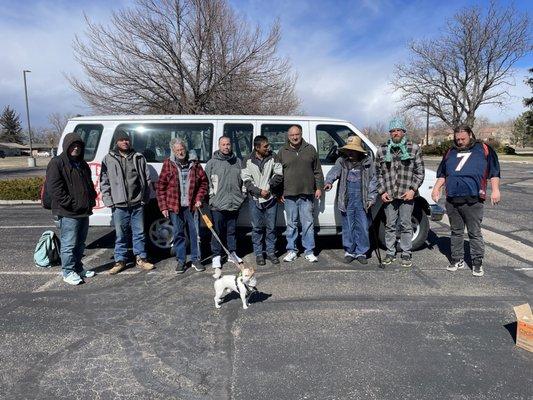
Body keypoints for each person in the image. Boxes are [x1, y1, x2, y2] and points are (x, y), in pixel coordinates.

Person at [431, 125, 501, 277]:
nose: (460, 141)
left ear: (470, 135)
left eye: (463, 138)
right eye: (457, 139)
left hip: (473, 199)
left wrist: (495, 190)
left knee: (474, 232)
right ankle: (457, 259)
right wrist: (436, 188)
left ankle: (477, 262)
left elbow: (494, 172)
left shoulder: (483, 148)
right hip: (452, 199)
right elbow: (443, 173)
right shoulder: (450, 152)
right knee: (456, 231)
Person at [46, 132, 97, 285]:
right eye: (73, 145)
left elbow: (89, 184)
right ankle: (67, 272)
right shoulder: (57, 163)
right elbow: (55, 189)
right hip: (68, 212)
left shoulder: (82, 164)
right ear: (66, 146)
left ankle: (78, 268)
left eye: (79, 146)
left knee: (80, 243)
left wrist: (91, 198)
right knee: (69, 244)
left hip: (83, 211)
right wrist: (72, 204)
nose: (76, 148)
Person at [100, 130, 154, 274]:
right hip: (119, 204)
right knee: (120, 234)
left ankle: (141, 259)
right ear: (116, 142)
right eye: (122, 140)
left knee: (140, 233)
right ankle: (120, 261)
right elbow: (104, 181)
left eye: (127, 140)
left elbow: (147, 180)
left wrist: (145, 198)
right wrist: (108, 200)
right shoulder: (108, 159)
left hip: (137, 203)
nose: (125, 142)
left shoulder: (138, 157)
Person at [375, 118, 425, 268]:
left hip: (406, 194)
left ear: (404, 132)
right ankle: (390, 252)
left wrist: (413, 190)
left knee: (406, 224)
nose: (395, 133)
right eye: (393, 130)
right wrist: (381, 191)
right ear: (390, 133)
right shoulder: (382, 150)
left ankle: (406, 253)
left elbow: (420, 172)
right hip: (389, 194)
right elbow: (377, 174)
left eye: (398, 130)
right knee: (390, 225)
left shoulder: (414, 148)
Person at [156, 138, 208, 273]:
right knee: (179, 234)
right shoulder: (168, 164)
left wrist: (199, 199)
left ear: (186, 149)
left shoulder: (195, 164)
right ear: (173, 151)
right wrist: (163, 207)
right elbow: (161, 187)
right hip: (175, 206)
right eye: (177, 150)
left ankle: (196, 260)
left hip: (192, 206)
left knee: (195, 234)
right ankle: (181, 261)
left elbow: (203, 183)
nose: (180, 152)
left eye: (182, 149)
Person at [324, 135, 378, 264]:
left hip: (362, 199)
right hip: (347, 199)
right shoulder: (341, 161)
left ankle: (361, 252)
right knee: (348, 227)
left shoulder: (367, 162)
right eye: (349, 150)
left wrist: (371, 197)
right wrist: (329, 181)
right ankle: (350, 251)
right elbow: (333, 172)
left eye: (354, 150)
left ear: (359, 151)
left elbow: (373, 180)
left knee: (362, 227)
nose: (351, 152)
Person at [277, 125, 324, 263]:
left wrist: (319, 187)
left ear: (301, 134)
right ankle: (291, 250)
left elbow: (317, 171)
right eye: (292, 135)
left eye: (297, 134)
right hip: (289, 195)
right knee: (291, 224)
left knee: (308, 223)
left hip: (307, 193)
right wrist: (279, 192)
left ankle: (309, 251)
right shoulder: (282, 151)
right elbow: (278, 174)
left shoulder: (310, 149)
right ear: (288, 136)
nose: (295, 137)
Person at [204, 136, 246, 278]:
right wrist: (211, 198)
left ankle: (232, 253)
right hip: (218, 204)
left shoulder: (238, 162)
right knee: (217, 231)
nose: (226, 147)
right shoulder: (212, 163)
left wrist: (242, 196)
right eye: (223, 144)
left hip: (234, 202)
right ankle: (216, 256)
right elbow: (206, 182)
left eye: (228, 144)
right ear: (219, 145)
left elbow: (244, 181)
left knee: (232, 230)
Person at [241, 135, 283, 266]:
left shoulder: (273, 156)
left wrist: (269, 187)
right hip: (255, 199)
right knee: (257, 228)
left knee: (271, 228)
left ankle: (271, 252)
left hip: (270, 198)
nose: (268, 148)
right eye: (265, 146)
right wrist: (259, 191)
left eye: (268, 145)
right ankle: (259, 254)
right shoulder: (247, 160)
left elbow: (279, 174)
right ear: (257, 147)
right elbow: (246, 180)